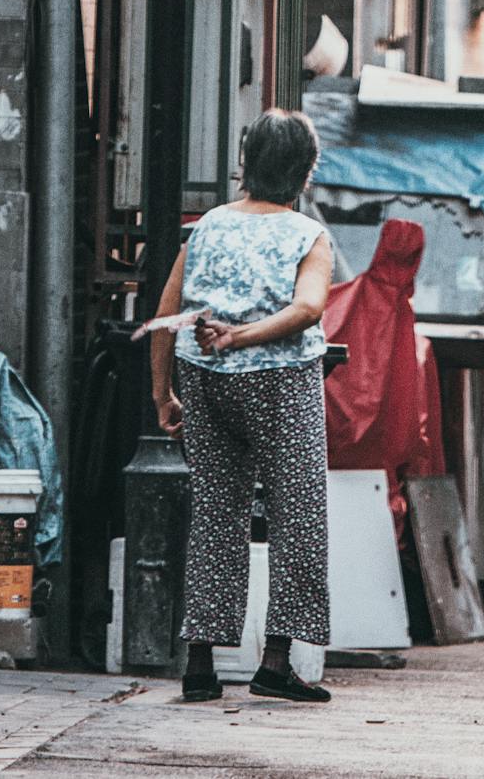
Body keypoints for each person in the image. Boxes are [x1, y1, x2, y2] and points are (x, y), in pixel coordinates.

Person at [149, 110, 335, 704]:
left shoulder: (207, 227)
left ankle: (200, 663)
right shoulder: (307, 235)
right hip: (281, 383)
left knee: (216, 513)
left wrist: (163, 393)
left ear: (244, 164)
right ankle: (276, 662)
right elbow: (308, 309)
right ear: (305, 172)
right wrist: (245, 335)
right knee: (296, 515)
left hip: (204, 383)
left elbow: (166, 315)